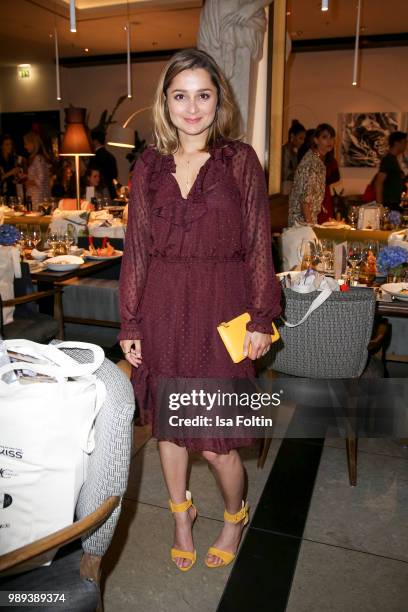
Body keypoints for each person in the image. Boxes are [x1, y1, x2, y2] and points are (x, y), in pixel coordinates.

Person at [118, 48, 281, 571]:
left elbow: (259, 242)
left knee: (215, 444)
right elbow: (137, 247)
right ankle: (181, 516)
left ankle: (235, 516)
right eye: (180, 95)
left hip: (221, 309)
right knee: (169, 430)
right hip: (163, 306)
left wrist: (261, 316)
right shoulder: (148, 165)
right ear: (165, 102)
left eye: (203, 95)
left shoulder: (240, 161)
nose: (192, 108)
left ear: (218, 100)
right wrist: (131, 320)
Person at [288, 123, 335, 226]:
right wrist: (311, 227)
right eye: (324, 137)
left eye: (331, 137)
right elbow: (305, 201)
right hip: (301, 224)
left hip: (306, 221)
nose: (329, 141)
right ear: (316, 140)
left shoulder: (317, 160)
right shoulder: (312, 162)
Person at [375, 131, 407, 210]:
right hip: (388, 204)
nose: (405, 145)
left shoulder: (393, 159)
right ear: (396, 143)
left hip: (394, 203)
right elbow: (378, 182)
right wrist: (380, 206)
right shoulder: (388, 160)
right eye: (404, 142)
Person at [22, 132, 51, 210]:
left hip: (37, 197)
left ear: (33, 143)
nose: (25, 146)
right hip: (35, 196)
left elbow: (40, 179)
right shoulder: (37, 158)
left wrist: (28, 182)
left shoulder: (38, 158)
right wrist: (25, 177)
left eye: (26, 144)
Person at [88, 129, 118, 200]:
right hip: (111, 192)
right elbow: (115, 176)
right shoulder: (111, 156)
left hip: (98, 194)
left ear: (94, 141)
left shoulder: (95, 158)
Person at [281, 119, 306, 194]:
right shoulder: (284, 151)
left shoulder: (294, 152)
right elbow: (284, 174)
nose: (302, 142)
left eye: (304, 139)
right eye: (300, 138)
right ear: (292, 136)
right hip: (283, 189)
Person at [317, 149, 341, 224]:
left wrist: (322, 181)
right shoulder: (312, 158)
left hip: (324, 192)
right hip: (317, 191)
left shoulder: (331, 160)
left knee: (325, 217)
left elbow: (336, 177)